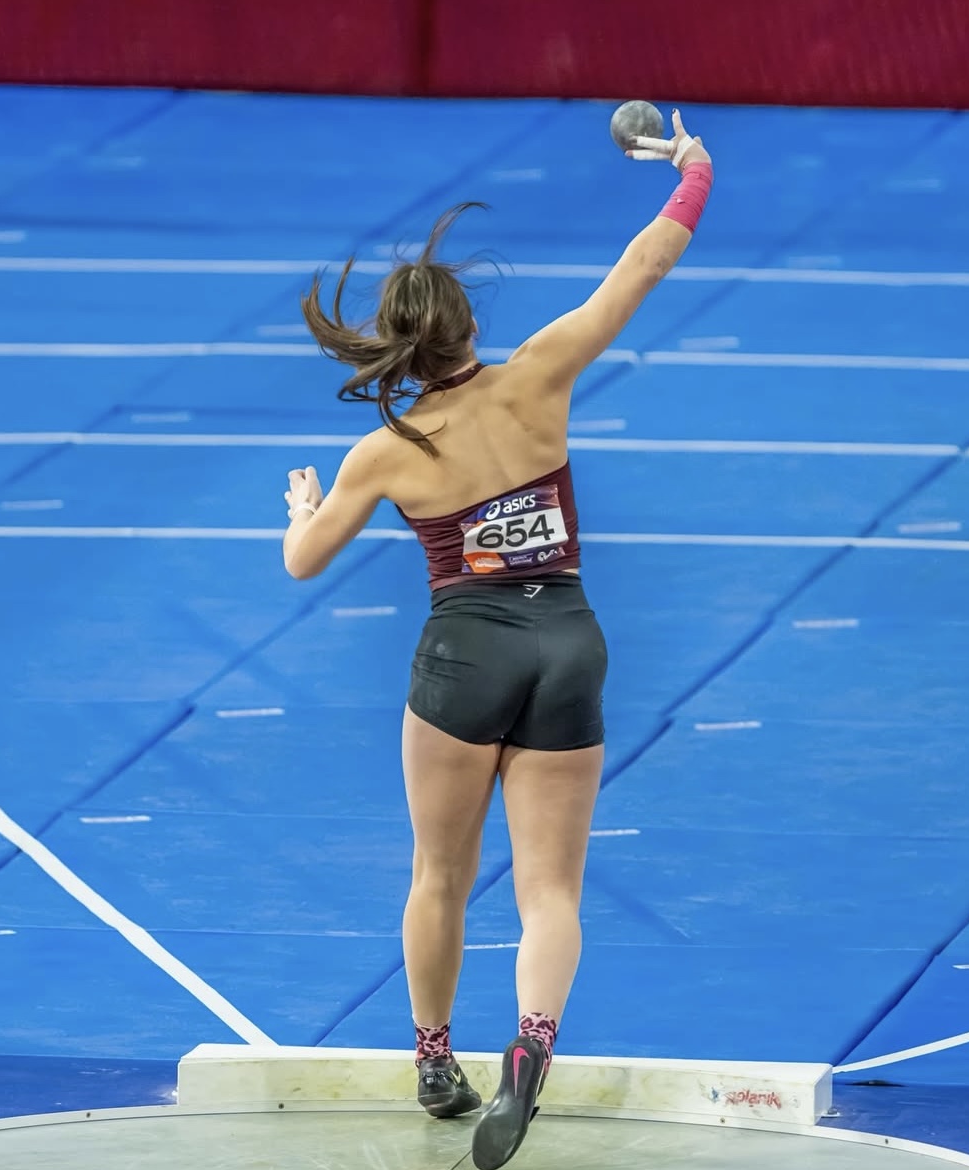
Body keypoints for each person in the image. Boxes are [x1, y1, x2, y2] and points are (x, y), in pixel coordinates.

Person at [282, 111, 712, 1170]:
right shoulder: (541, 374)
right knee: (551, 891)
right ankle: (529, 1052)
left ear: (400, 345)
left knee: (439, 872)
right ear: (470, 327)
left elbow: (303, 563)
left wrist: (302, 507)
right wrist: (692, 171)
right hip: (567, 639)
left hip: (463, 655)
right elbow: (644, 263)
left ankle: (434, 1058)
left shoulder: (383, 451)